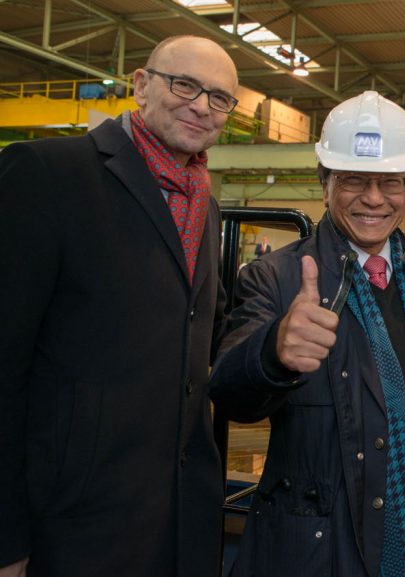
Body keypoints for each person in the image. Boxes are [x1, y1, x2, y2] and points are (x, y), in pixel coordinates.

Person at [0, 35, 237, 577]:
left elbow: (201, 335)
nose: (202, 105)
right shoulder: (46, 174)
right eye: (185, 85)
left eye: (220, 98)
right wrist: (6, 538)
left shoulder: (207, 208)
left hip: (178, 524)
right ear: (141, 85)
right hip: (74, 526)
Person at [209, 90, 405, 577]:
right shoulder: (277, 277)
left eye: (390, 182)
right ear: (324, 183)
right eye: (353, 181)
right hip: (321, 548)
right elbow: (230, 392)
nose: (374, 199)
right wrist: (272, 353)